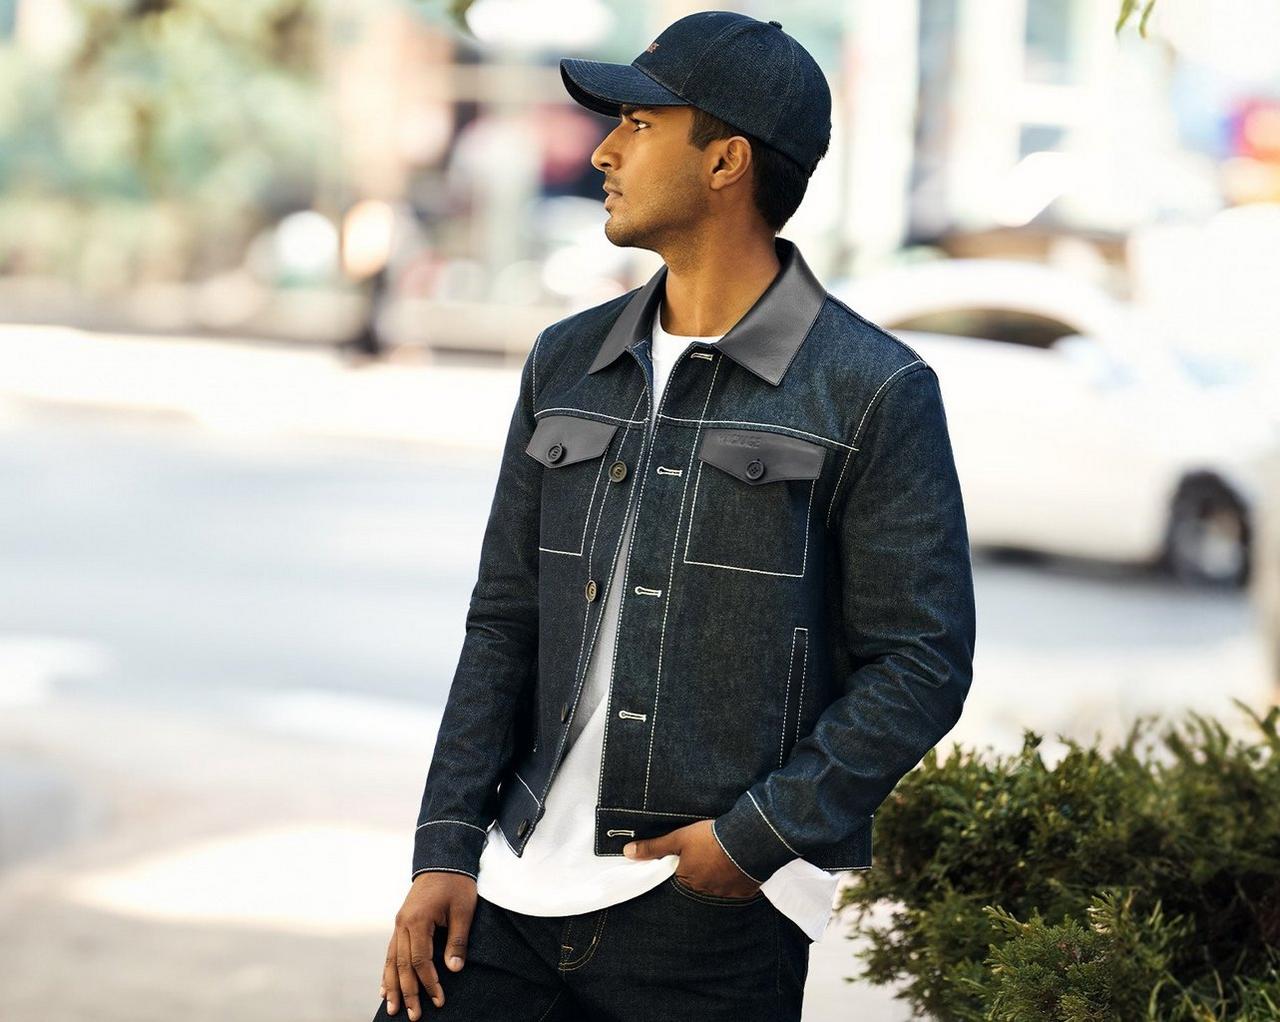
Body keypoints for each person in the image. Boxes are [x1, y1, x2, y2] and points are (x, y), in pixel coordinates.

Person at [375, 11, 976, 1021]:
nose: (603, 148)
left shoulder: (871, 389)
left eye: (640, 123)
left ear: (726, 159)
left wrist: (749, 840)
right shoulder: (566, 361)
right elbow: (504, 618)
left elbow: (920, 659)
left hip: (705, 928)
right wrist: (443, 845)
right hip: (508, 894)